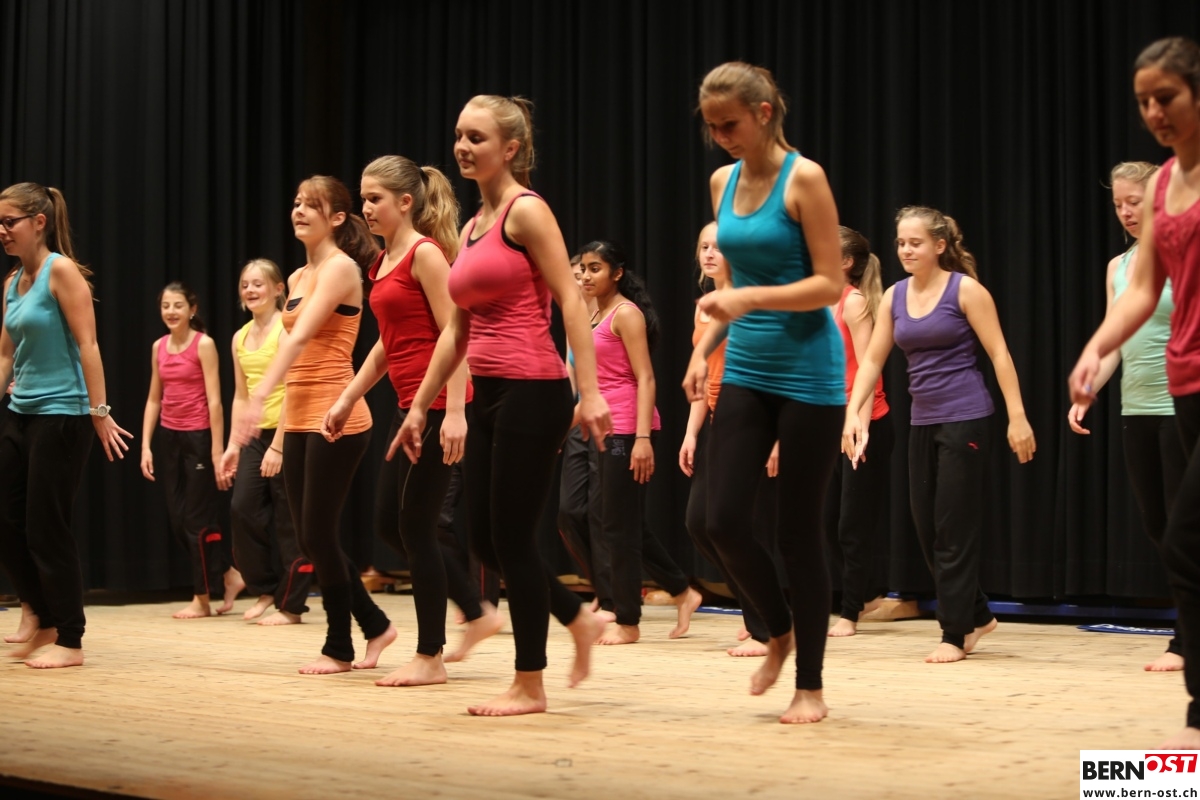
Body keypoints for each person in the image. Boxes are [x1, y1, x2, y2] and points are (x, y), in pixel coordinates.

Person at [395, 95, 610, 716]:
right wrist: (421, 406)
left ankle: (529, 683)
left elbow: (571, 300)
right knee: (484, 542)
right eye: (459, 135)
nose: (463, 147)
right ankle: (577, 618)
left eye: (477, 138)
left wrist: (590, 389)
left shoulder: (526, 212)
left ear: (511, 148)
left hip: (533, 390)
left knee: (512, 540)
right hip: (486, 391)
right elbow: (456, 330)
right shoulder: (471, 227)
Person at [685, 62, 846, 724]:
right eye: (711, 127)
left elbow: (830, 284)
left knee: (797, 532)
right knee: (718, 520)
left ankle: (810, 685)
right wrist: (703, 350)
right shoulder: (722, 182)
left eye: (730, 124)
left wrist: (749, 300)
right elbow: (731, 285)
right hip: (747, 367)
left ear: (765, 111)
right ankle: (777, 630)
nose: (721, 137)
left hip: (809, 371)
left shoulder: (804, 178)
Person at [323, 155, 501, 687]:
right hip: (410, 407)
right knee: (389, 524)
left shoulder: (425, 255)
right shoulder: (381, 263)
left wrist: (455, 411)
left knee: (418, 527)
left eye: (374, 198)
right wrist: (347, 396)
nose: (365, 207)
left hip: (441, 405)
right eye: (363, 197)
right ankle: (474, 608)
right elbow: (387, 345)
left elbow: (456, 333)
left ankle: (430, 654)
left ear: (405, 202)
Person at [1068, 36, 1200, 749]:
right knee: (1177, 537)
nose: (1154, 112)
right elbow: (1141, 289)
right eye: (1144, 101)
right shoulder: (1166, 183)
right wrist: (1096, 351)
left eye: (1166, 97)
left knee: (1186, 536)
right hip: (1180, 382)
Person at [844, 206, 1035, 664]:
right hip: (922, 421)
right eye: (901, 243)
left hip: (965, 418)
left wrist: (1018, 417)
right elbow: (873, 359)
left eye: (916, 243)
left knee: (953, 529)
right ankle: (978, 614)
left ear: (940, 245)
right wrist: (854, 413)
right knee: (927, 526)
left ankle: (955, 631)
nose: (906, 250)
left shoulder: (965, 290)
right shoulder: (895, 296)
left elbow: (999, 353)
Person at [229, 175, 396, 675]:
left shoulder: (341, 268)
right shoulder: (300, 276)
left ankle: (339, 645)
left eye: (312, 205)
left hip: (336, 416)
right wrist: (271, 420)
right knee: (309, 539)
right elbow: (289, 346)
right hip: (300, 416)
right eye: (297, 203)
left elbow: (300, 337)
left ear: (337, 217)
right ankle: (374, 626)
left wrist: (261, 395)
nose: (299, 211)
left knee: (319, 535)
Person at [0, 182, 131, 668]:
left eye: (9, 221)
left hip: (63, 414)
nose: (2, 231)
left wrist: (100, 413)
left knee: (45, 526)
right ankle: (42, 616)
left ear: (39, 222)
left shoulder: (62, 271)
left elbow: (88, 345)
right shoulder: (12, 282)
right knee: (6, 519)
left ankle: (69, 638)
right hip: (21, 411)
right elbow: (6, 354)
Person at [1068, 162, 1185, 672]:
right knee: (1158, 523)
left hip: (1181, 403)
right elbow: (1115, 337)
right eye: (1118, 204)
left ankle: (1186, 638)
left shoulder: (1185, 252)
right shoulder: (1120, 265)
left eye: (1133, 201)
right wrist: (1089, 385)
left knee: (1184, 524)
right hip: (1136, 407)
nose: (1125, 212)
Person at [578, 240, 702, 645]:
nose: (587, 275)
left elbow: (645, 377)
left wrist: (643, 438)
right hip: (600, 426)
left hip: (627, 428)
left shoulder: (626, 314)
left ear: (616, 273)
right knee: (607, 519)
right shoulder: (591, 312)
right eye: (584, 268)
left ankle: (627, 619)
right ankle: (682, 590)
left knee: (618, 526)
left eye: (596, 268)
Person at [679, 221, 773, 657]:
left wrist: (776, 438)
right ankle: (758, 607)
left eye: (719, 246)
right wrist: (690, 433)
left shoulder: (748, 301)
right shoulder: (703, 308)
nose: (710, 253)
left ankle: (766, 625)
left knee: (730, 524)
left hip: (752, 421)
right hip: (718, 420)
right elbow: (702, 378)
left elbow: (771, 368)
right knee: (699, 523)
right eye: (704, 246)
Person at [141, 282, 242, 619]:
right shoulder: (158, 346)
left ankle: (202, 597)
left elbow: (215, 401)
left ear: (192, 309)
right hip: (169, 437)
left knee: (197, 521)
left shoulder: (204, 344)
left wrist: (217, 451)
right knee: (178, 519)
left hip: (199, 436)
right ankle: (227, 572)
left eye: (178, 305)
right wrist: (145, 446)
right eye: (165, 306)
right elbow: (153, 398)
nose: (171, 311)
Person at [220, 259, 312, 626]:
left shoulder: (286, 331)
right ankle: (264, 589)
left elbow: (294, 389)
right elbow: (241, 395)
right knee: (242, 509)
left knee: (289, 521)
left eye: (258, 284)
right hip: (254, 437)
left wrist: (279, 446)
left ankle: (291, 605)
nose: (250, 290)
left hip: (287, 432)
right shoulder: (239, 338)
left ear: (278, 289)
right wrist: (232, 444)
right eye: (245, 284)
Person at [826, 227, 893, 637]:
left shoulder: (853, 303)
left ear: (846, 262)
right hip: (828, 424)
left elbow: (870, 369)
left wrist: (860, 428)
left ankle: (850, 612)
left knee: (851, 525)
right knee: (825, 521)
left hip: (864, 422)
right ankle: (865, 594)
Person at [557, 253, 613, 615]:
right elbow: (570, 373)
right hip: (580, 419)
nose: (580, 280)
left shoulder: (614, 316)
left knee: (601, 513)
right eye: (575, 275)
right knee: (569, 512)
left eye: (586, 273)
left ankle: (611, 596)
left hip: (609, 417)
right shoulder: (573, 316)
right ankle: (602, 585)